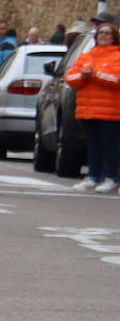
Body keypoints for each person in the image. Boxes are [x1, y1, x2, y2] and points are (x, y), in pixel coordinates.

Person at [64, 18, 120, 193]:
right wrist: (83, 76)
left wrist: (94, 75)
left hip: (110, 111)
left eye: (107, 33)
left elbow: (116, 80)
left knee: (110, 146)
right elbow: (70, 78)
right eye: (101, 33)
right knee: (93, 145)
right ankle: (93, 176)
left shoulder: (117, 56)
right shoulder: (86, 56)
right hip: (87, 109)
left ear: (114, 37)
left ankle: (112, 177)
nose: (103, 36)